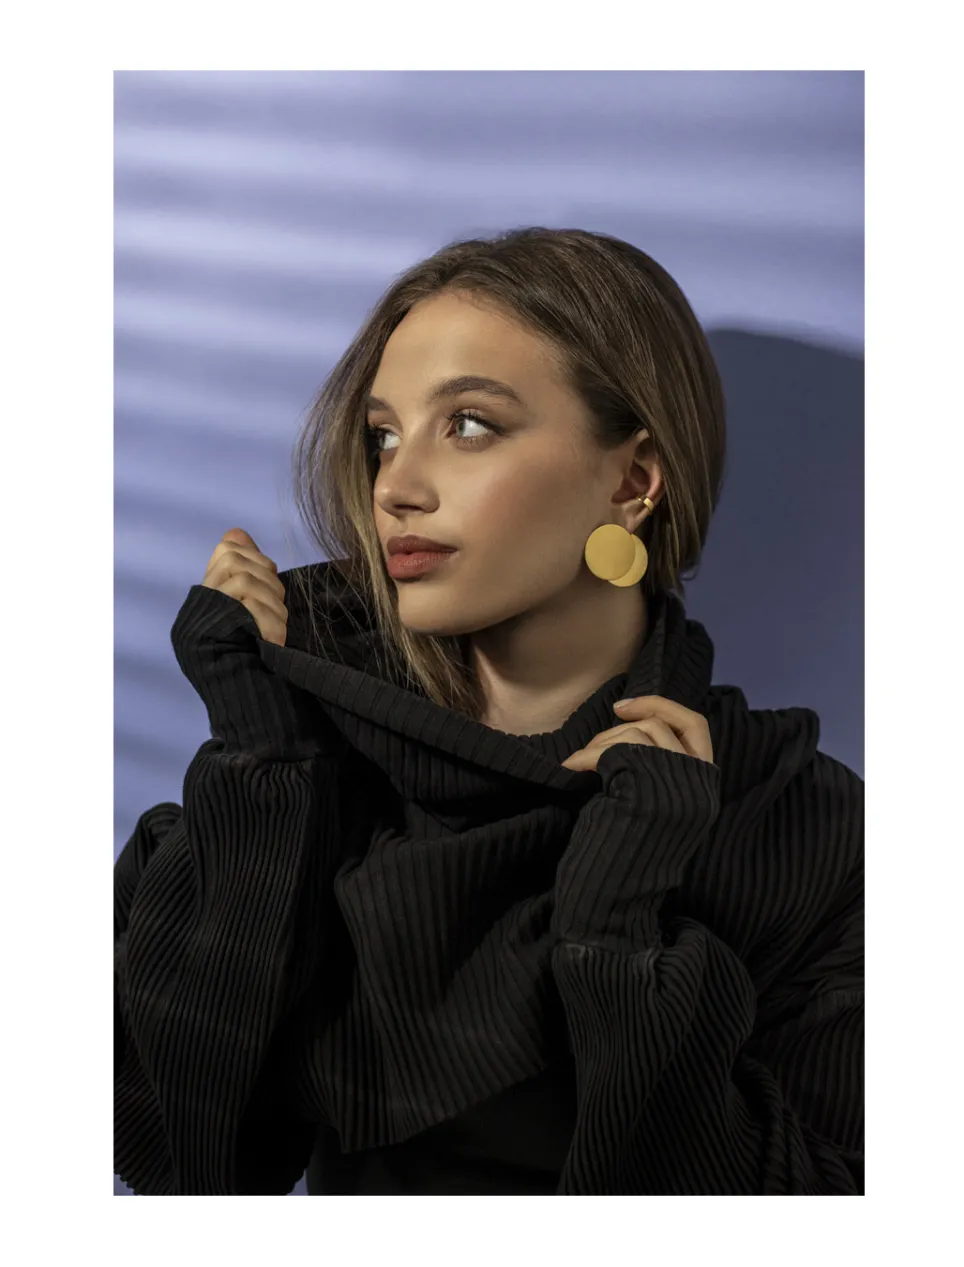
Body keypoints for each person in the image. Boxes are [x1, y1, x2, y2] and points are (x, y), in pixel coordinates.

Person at [114, 226, 863, 1195]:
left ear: (632, 481)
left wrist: (615, 931)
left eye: (467, 424)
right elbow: (185, 1168)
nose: (395, 487)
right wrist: (257, 766)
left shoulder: (796, 824)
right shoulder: (309, 756)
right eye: (382, 436)